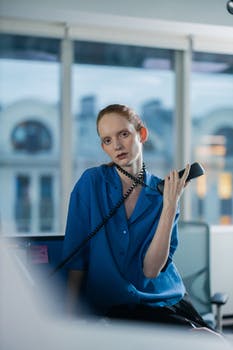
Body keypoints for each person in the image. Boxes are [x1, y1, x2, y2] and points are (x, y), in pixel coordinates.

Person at [62, 104, 212, 330]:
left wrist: (170, 206)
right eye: (108, 140)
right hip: (115, 308)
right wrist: (67, 321)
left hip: (165, 301)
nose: (117, 145)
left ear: (141, 134)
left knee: (213, 340)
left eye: (123, 134)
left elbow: (151, 270)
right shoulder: (91, 183)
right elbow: (76, 260)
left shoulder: (165, 192)